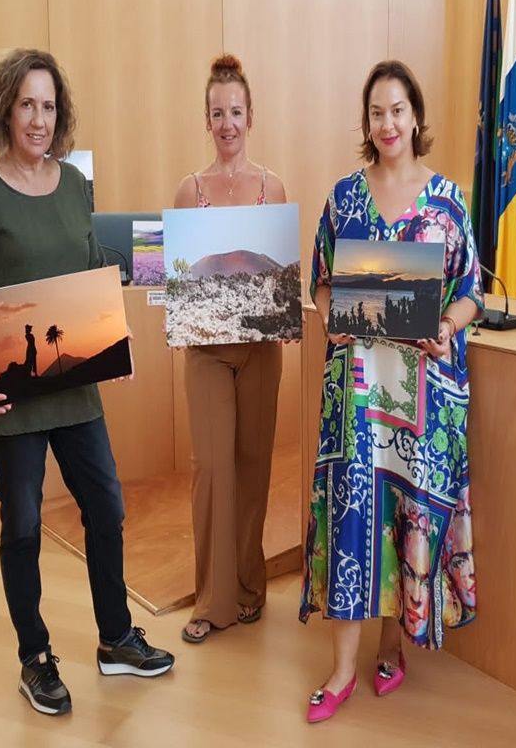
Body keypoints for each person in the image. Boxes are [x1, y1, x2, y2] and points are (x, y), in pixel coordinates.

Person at [0, 47, 174, 717]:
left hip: (74, 386)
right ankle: (34, 656)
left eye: (48, 106)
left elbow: (90, 264)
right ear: (5, 111)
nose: (38, 119)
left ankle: (116, 638)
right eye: (26, 106)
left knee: (108, 507)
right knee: (24, 526)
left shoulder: (74, 185)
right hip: (11, 392)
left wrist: (112, 319)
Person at [299, 59, 482, 723]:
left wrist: (444, 326)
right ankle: (343, 668)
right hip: (356, 391)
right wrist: (332, 315)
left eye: (398, 109)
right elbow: (321, 281)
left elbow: (471, 292)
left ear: (416, 116)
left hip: (422, 397)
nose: (388, 123)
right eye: (377, 112)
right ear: (367, 123)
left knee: (404, 514)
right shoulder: (344, 199)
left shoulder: (449, 201)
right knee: (355, 515)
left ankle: (391, 650)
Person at [171, 54, 288, 644]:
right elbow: (179, 278)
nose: (227, 123)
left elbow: (281, 275)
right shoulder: (189, 191)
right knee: (212, 469)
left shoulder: (275, 186)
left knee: (253, 468)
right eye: (217, 113)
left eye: (236, 111)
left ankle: (249, 588)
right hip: (208, 351)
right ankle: (211, 601)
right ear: (206, 118)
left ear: (251, 115)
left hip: (264, 349)